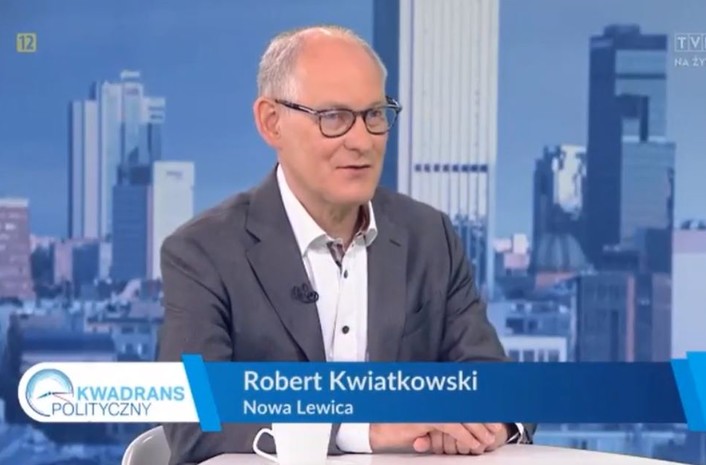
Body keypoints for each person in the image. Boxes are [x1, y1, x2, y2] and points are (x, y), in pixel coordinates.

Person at [157, 24, 536, 465]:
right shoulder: (203, 252)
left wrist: (487, 423)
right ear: (271, 122)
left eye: (374, 115)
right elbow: (197, 418)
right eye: (333, 117)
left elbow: (497, 383)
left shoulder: (428, 236)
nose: (361, 141)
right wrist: (366, 429)